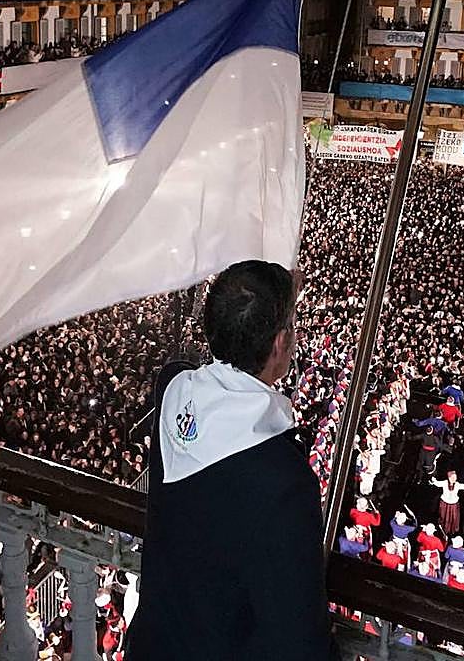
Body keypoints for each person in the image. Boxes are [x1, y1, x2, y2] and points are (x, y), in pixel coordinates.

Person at [125, 261, 334, 660]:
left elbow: (189, 368)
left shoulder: (172, 391)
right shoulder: (284, 480)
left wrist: (268, 306)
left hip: (153, 645)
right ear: (279, 344)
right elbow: (298, 634)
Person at [431, 470, 464, 534]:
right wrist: (433, 480)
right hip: (444, 504)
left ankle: (451, 530)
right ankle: (442, 528)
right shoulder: (444, 483)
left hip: (453, 505)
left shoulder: (457, 484)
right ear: (449, 477)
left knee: (453, 517)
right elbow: (437, 483)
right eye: (453, 477)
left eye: (455, 478)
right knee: (443, 517)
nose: (454, 479)